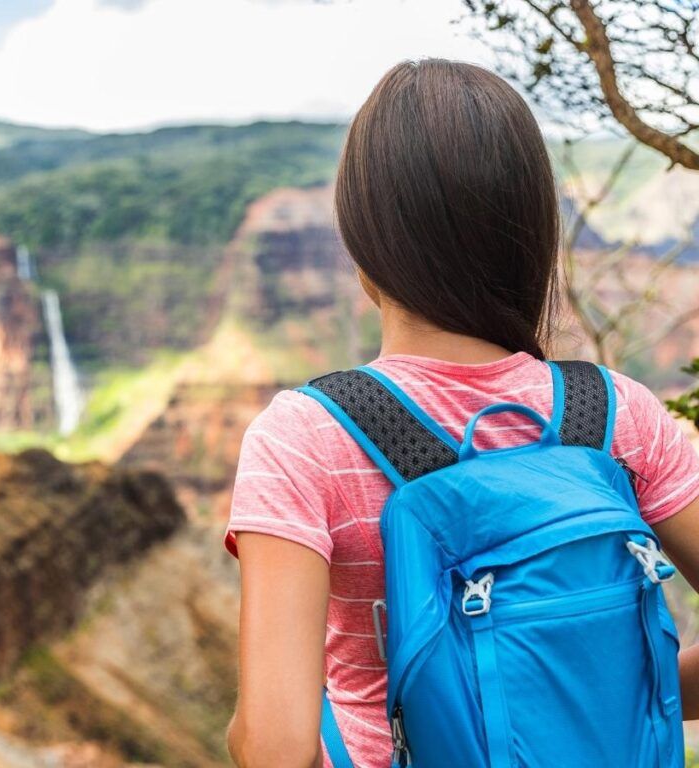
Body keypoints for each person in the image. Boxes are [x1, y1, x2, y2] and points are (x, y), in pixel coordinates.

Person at [223, 58, 699, 768]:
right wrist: (632, 687)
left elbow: (276, 746)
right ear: (535, 233)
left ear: (363, 244)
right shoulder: (617, 414)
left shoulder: (302, 439)